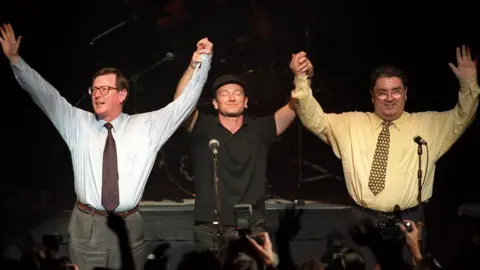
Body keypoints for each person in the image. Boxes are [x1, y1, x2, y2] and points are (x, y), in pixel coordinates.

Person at [0, 23, 213, 270]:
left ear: (122, 95)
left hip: (128, 222)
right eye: (94, 89)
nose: (97, 94)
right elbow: (45, 94)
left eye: (105, 89)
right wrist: (16, 61)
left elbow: (183, 106)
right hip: (87, 224)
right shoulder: (77, 122)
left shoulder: (147, 126)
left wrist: (203, 63)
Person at [290, 47, 478, 268]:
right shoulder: (350, 124)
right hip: (362, 221)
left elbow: (463, 116)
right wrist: (301, 80)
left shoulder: (428, 125)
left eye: (396, 91)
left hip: (409, 223)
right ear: (372, 96)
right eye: (382, 92)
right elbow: (313, 118)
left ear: (406, 93)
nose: (390, 98)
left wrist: (468, 84)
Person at [173, 43, 312, 257]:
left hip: (251, 226)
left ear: (246, 102)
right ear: (215, 103)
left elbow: (295, 107)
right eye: (225, 94)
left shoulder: (260, 129)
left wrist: (302, 77)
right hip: (210, 228)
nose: (231, 97)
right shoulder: (203, 128)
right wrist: (194, 65)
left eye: (237, 93)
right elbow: (179, 105)